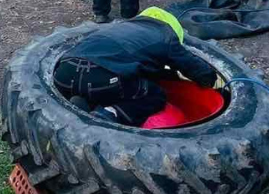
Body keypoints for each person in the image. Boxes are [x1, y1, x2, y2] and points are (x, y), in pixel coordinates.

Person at [53, 7, 217, 125]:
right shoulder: (167, 36)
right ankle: (108, 114)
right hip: (103, 77)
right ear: (173, 28)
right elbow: (198, 70)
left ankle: (81, 104)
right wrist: (212, 81)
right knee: (155, 95)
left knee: (106, 85)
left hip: (64, 72)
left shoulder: (122, 28)